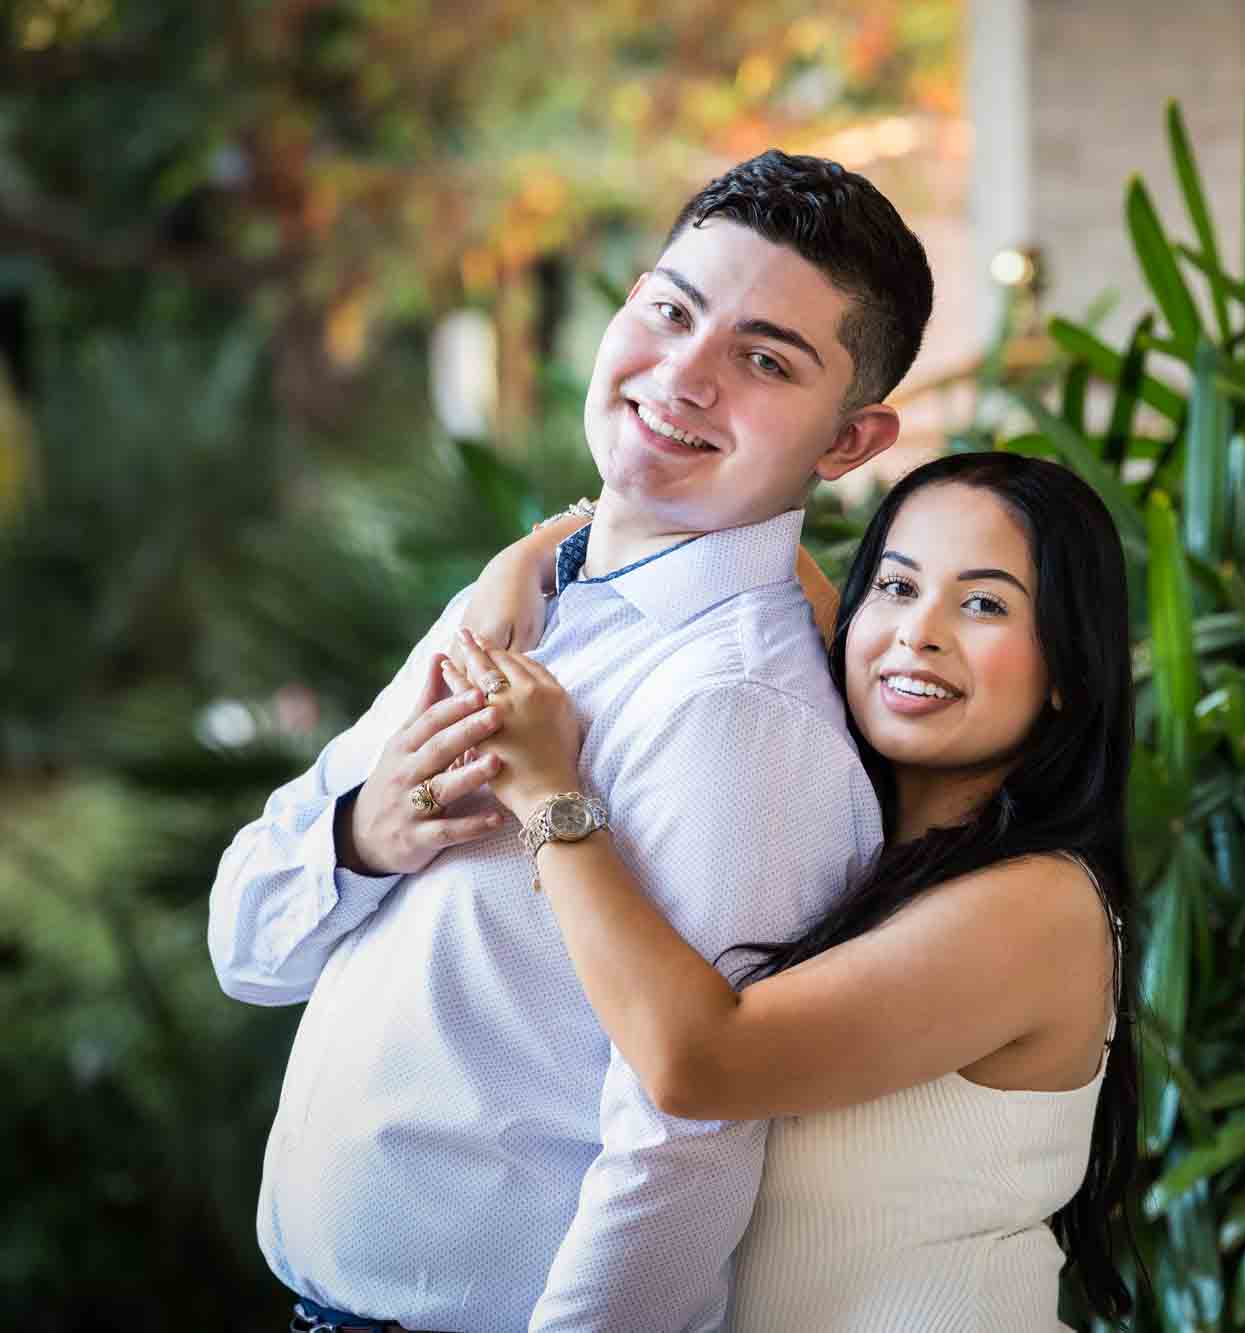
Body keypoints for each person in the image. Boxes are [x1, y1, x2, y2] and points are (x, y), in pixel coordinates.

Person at [207, 149, 929, 1332]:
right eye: (670, 310)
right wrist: (358, 838)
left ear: (848, 443)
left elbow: (685, 1141)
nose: (682, 375)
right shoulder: (523, 600)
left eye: (762, 359)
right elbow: (248, 945)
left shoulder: (737, 713)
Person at [450, 451, 1138, 1330]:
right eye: (895, 585)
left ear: (1068, 674)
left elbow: (699, 1063)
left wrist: (549, 796)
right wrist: (542, 553)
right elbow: (736, 528)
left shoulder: (1040, 906)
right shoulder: (866, 794)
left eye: (985, 603)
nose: (918, 632)